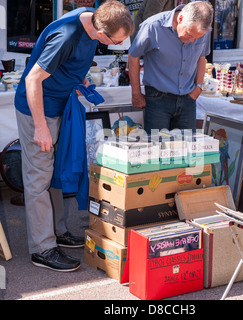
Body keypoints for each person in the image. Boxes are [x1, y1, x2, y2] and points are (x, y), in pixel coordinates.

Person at [14, 0, 134, 272]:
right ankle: (42, 248)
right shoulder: (68, 34)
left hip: (60, 104)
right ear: (101, 32)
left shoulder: (92, 21)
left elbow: (64, 65)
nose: (118, 44)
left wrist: (78, 80)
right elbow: (33, 79)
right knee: (38, 178)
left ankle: (57, 232)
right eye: (116, 41)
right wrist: (40, 126)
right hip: (39, 109)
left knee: (53, 172)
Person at [128, 1, 213, 134]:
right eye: (189, 34)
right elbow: (133, 56)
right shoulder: (152, 26)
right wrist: (136, 93)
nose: (192, 40)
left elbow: (201, 58)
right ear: (180, 18)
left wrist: (198, 87)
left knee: (187, 150)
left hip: (188, 99)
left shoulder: (202, 30)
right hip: (158, 100)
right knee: (157, 149)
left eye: (196, 38)